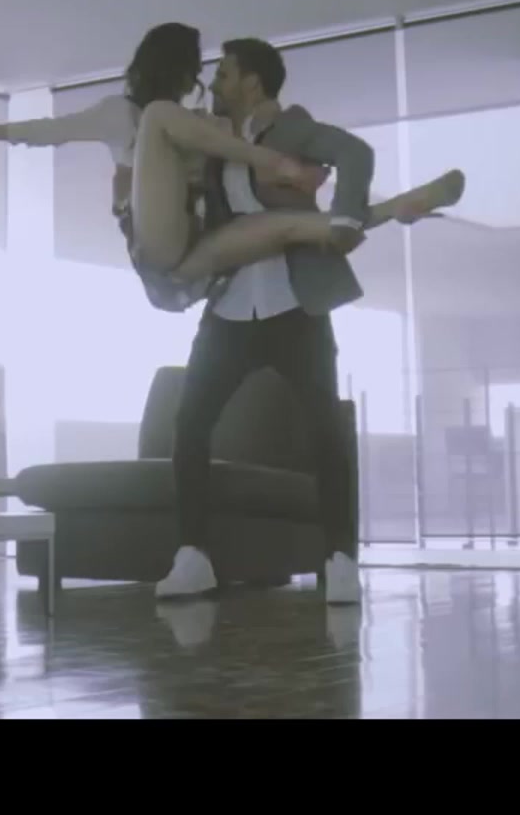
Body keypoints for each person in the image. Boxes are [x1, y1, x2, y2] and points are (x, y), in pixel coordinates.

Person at [0, 23, 461, 310]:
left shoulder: (199, 123)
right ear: (174, 67)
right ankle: (281, 167)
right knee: (160, 117)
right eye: (195, 68)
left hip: (195, 258)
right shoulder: (126, 114)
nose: (200, 79)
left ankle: (400, 207)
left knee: (293, 227)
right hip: (157, 243)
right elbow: (45, 131)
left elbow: (243, 141)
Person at [155, 38, 390, 607]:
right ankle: (193, 558)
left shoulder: (293, 129)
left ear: (252, 81)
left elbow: (355, 152)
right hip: (230, 307)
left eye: (224, 74)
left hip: (294, 305)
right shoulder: (218, 144)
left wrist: (346, 219)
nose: (215, 84)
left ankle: (340, 561)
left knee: (325, 431)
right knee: (190, 424)